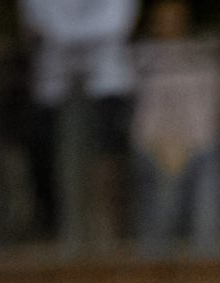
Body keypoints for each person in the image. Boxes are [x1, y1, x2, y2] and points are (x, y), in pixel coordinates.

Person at [21, 0, 138, 244]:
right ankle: (58, 233)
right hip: (53, 83)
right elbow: (33, 24)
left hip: (107, 80)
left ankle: (110, 235)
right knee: (48, 160)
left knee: (106, 160)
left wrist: (61, 34)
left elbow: (116, 23)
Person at [130, 0, 220, 254]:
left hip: (201, 145)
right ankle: (152, 275)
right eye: (163, 20)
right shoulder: (141, 58)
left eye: (175, 18)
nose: (169, 26)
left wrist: (189, 143)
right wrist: (163, 143)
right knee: (161, 220)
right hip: (155, 148)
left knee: (207, 222)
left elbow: (215, 102)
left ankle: (207, 279)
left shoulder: (203, 53)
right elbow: (141, 112)